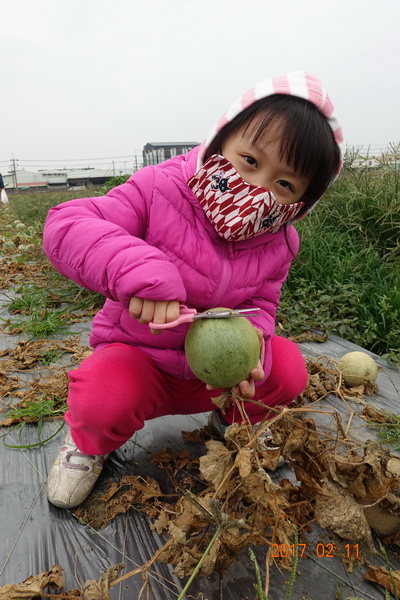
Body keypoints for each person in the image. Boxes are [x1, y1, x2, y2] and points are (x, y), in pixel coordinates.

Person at [43, 71, 343, 509]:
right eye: (250, 160)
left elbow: (262, 300)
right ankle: (87, 447)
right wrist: (139, 268)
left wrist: (254, 339)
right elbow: (67, 224)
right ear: (220, 140)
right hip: (140, 360)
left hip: (216, 378)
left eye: (284, 184)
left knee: (288, 370)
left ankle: (232, 425)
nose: (256, 188)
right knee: (101, 399)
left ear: (302, 201)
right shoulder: (156, 188)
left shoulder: (280, 239)